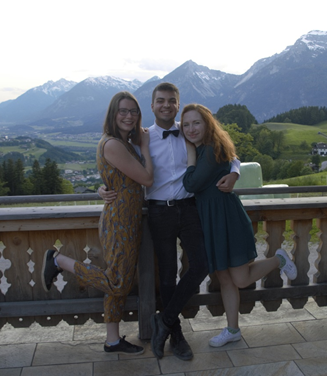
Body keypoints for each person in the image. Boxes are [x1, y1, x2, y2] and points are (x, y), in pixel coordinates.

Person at [99, 83, 240, 361]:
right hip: (158, 212)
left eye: (171, 101)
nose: (166, 105)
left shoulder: (189, 129)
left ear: (178, 104)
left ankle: (164, 320)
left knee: (200, 265)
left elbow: (226, 151)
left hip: (190, 208)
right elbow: (115, 165)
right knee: (167, 276)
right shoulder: (141, 137)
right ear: (151, 107)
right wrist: (101, 188)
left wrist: (235, 172)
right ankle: (176, 335)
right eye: (160, 101)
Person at [41, 91, 153, 355]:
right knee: (117, 283)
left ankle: (112, 340)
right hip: (119, 222)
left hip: (127, 219)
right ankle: (59, 261)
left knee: (117, 281)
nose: (128, 116)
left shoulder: (123, 142)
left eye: (133, 111)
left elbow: (119, 179)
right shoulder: (114, 144)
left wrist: (104, 188)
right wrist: (145, 146)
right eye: (123, 111)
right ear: (113, 114)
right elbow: (147, 179)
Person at [181, 103, 297, 348]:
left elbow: (191, 184)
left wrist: (191, 156)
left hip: (226, 219)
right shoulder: (206, 147)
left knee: (240, 278)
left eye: (196, 123)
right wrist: (234, 171)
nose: (191, 129)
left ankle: (279, 260)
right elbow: (234, 159)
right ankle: (232, 329)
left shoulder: (210, 149)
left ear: (207, 124)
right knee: (224, 278)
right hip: (210, 221)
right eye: (186, 124)